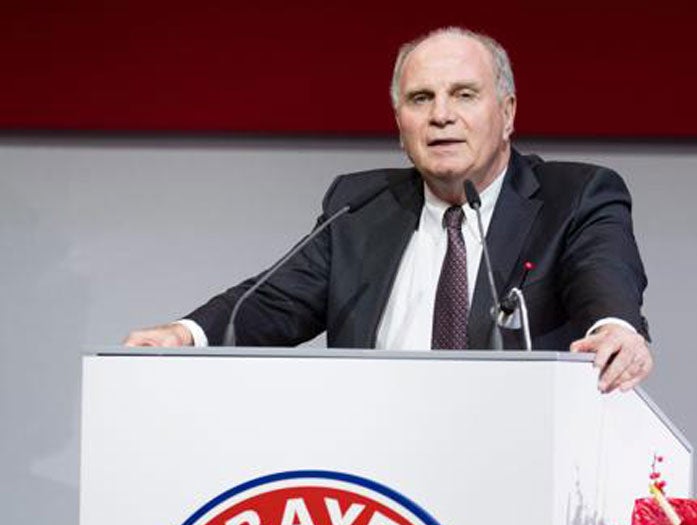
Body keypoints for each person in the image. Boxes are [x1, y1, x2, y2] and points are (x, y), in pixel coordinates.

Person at [124, 27, 653, 393]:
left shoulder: (575, 196)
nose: (441, 115)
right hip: (378, 475)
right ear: (400, 125)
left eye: (464, 95)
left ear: (508, 113)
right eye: (420, 99)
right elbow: (272, 302)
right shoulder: (359, 206)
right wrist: (185, 334)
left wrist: (615, 330)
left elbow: (603, 276)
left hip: (518, 460)